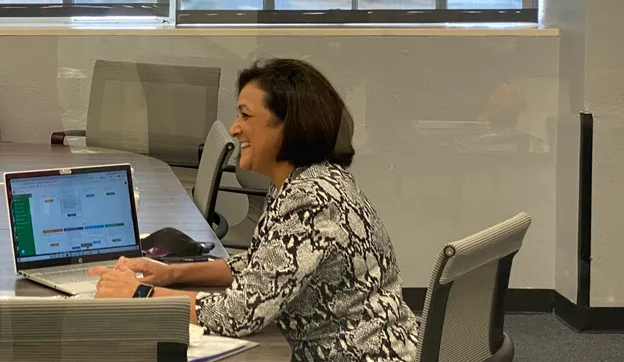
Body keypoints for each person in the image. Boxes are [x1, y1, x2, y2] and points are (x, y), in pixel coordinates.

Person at [92, 58, 419, 362]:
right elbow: (263, 266)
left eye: (245, 116)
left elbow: (242, 312)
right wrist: (173, 273)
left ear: (289, 127)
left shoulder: (311, 200)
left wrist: (140, 293)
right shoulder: (307, 179)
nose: (235, 128)